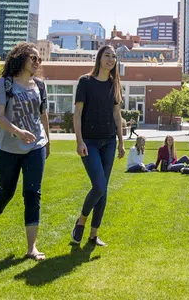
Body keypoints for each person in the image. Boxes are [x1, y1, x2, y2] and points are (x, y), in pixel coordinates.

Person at [0, 43, 50, 261]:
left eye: (39, 59)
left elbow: (43, 115)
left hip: (35, 146)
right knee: (6, 192)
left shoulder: (40, 86)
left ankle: (32, 247)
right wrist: (18, 131)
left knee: (33, 193)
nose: (37, 62)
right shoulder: (5, 84)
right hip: (8, 148)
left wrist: (48, 141)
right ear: (20, 58)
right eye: (33, 57)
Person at [72, 45, 126, 247]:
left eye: (114, 57)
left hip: (109, 142)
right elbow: (77, 114)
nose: (111, 59)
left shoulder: (114, 84)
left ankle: (93, 235)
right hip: (90, 143)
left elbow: (116, 114)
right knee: (100, 186)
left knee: (104, 190)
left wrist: (121, 142)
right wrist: (79, 141)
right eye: (107, 55)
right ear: (99, 58)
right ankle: (81, 221)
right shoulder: (85, 82)